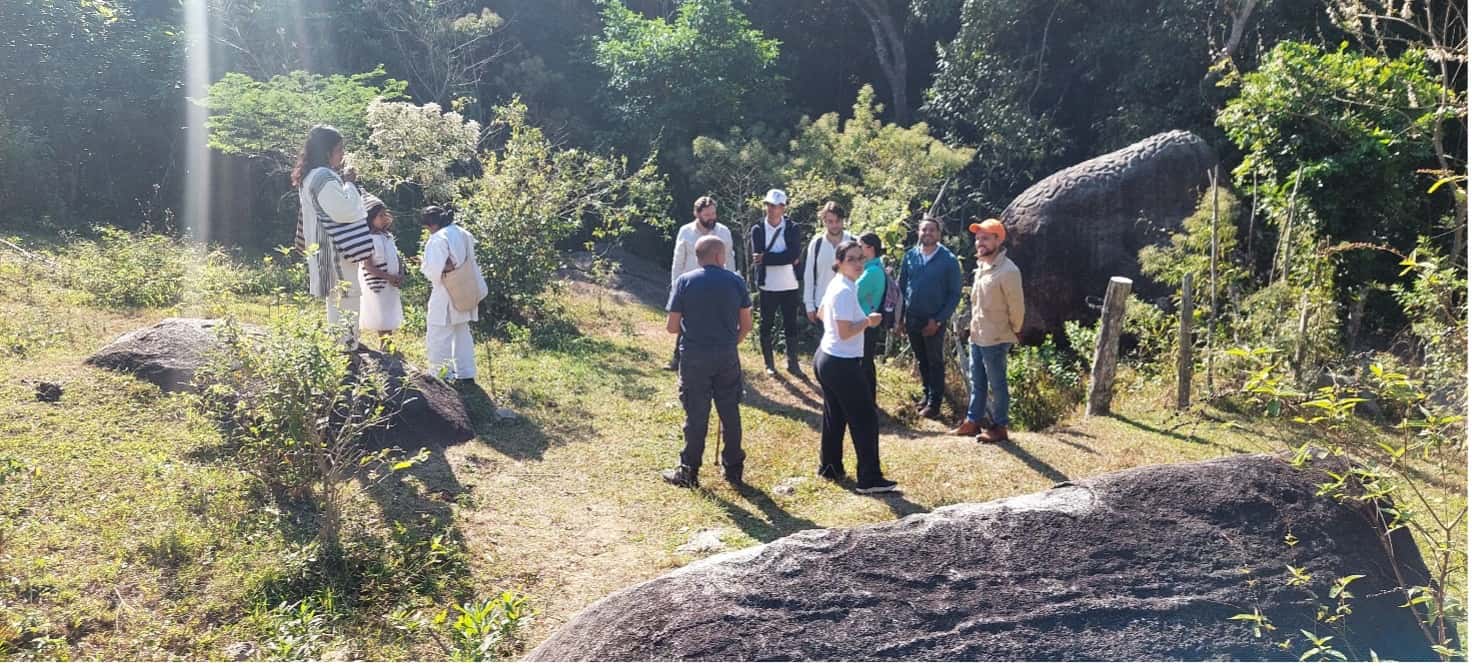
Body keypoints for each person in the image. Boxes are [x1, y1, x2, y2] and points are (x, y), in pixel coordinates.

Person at [661, 235, 754, 488]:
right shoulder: (735, 282)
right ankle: (734, 469)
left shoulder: (684, 282)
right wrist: (731, 342)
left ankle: (689, 470)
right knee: (730, 411)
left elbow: (671, 327)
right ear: (718, 256)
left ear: (700, 257)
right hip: (726, 355)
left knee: (696, 413)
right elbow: (746, 324)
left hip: (694, 356)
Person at [815, 240, 898, 494]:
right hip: (840, 362)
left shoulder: (839, 285)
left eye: (860, 258)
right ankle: (869, 478)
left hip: (827, 357)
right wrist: (868, 322)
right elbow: (844, 331)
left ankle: (830, 466)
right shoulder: (843, 290)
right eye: (851, 259)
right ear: (839, 262)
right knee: (865, 418)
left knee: (835, 415)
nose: (858, 264)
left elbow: (820, 313)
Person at [293, 125, 375, 349]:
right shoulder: (323, 176)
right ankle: (348, 346)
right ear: (327, 151)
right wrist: (349, 182)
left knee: (335, 298)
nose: (342, 154)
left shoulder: (310, 176)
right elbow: (344, 210)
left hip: (322, 248)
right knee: (348, 297)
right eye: (339, 149)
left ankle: (340, 343)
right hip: (336, 249)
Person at [950, 218, 1025, 442]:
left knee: (998, 384)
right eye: (977, 238)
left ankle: (999, 427)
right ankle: (973, 422)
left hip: (996, 336)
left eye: (985, 238)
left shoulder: (1009, 271)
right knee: (978, 381)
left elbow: (1017, 307)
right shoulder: (982, 266)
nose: (979, 242)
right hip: (978, 334)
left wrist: (1015, 330)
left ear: (998, 240)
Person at [898, 215, 962, 419]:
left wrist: (939, 319)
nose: (927, 233)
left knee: (935, 361)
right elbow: (901, 286)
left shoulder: (948, 260)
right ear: (918, 232)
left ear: (939, 234)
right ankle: (926, 395)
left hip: (934, 319)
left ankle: (935, 404)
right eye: (924, 230)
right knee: (921, 359)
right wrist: (899, 317)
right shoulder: (910, 256)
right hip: (912, 317)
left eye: (931, 230)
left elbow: (954, 294)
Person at [666, 196, 735, 371]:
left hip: (717, 285)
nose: (712, 217)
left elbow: (729, 259)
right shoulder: (685, 231)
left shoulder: (723, 232)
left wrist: (732, 285)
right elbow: (677, 261)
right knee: (685, 323)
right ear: (697, 214)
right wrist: (676, 288)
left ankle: (719, 360)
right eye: (707, 214)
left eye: (713, 213)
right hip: (690, 286)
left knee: (715, 322)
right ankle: (678, 358)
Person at [419, 205, 487, 384]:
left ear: (431, 225)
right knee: (462, 333)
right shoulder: (463, 233)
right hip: (466, 288)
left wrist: (426, 266)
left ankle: (441, 375)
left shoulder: (437, 239)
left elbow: (434, 272)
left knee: (438, 334)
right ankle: (466, 373)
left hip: (446, 290)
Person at [748, 189, 805, 377]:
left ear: (783, 208)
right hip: (767, 285)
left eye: (775, 206)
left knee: (791, 323)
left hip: (790, 283)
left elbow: (793, 254)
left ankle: (793, 362)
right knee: (767, 324)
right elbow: (758, 258)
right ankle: (769, 364)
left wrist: (768, 258)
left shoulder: (793, 228)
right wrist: (783, 257)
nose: (771, 209)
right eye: (769, 205)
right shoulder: (757, 229)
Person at [357, 194, 405, 350]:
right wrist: (389, 276)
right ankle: (384, 344)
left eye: (386, 214)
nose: (384, 218)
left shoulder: (387, 236)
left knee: (389, 311)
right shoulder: (368, 238)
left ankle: (388, 342)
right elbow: (368, 266)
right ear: (371, 218)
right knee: (381, 313)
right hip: (378, 282)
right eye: (380, 215)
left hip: (391, 282)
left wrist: (400, 273)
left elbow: (396, 257)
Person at [803, 201, 856, 327]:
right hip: (822, 305)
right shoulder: (817, 244)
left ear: (843, 220)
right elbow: (809, 275)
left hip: (849, 306)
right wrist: (809, 305)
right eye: (830, 221)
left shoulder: (854, 242)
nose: (834, 225)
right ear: (824, 221)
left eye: (837, 221)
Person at [854, 231, 887, 402]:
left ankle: (868, 402)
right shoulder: (871, 268)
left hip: (866, 324)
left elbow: (853, 291)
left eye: (860, 246)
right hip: (865, 323)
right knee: (864, 362)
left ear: (870, 248)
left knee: (865, 364)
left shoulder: (872, 271)